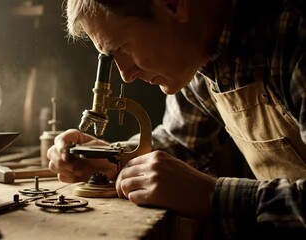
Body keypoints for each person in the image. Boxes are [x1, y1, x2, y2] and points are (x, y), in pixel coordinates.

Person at [47, 0, 306, 239]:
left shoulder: (295, 34)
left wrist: (211, 195)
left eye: (123, 47)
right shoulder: (199, 58)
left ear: (173, 4)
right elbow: (181, 142)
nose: (125, 75)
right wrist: (113, 159)